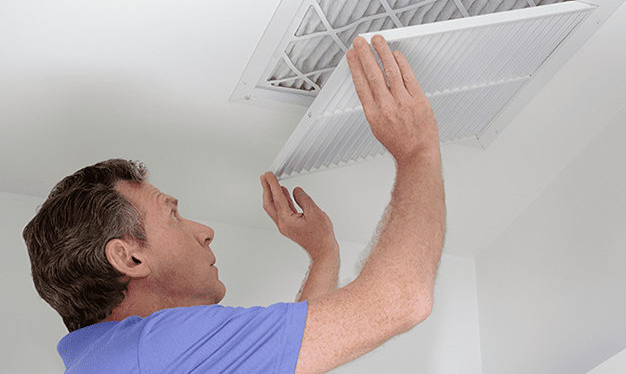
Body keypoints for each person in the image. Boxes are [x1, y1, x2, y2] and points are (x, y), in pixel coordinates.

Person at [23, 35, 446, 374]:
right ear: (129, 257)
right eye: (173, 215)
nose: (205, 230)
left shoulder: (116, 358)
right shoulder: (153, 348)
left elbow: (289, 358)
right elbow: (401, 299)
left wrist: (323, 255)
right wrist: (417, 152)